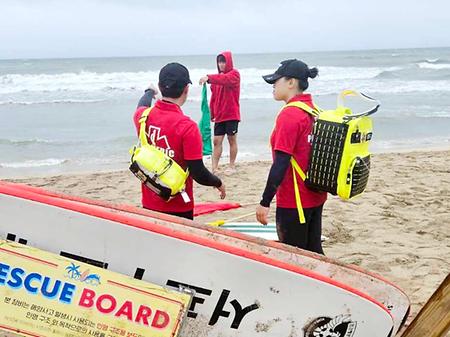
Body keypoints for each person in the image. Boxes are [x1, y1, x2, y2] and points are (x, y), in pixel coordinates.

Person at [133, 62, 226, 220]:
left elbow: (142, 104)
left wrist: (149, 92)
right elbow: (198, 172)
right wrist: (218, 183)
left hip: (149, 203)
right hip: (178, 207)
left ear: (160, 86)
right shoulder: (187, 127)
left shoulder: (143, 117)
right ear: (186, 89)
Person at [255, 59, 327, 254]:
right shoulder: (313, 110)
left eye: (276, 81)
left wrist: (265, 201)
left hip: (295, 201)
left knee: (295, 256)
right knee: (313, 251)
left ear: (291, 82)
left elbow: (281, 163)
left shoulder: (290, 115)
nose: (273, 85)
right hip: (315, 195)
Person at [199, 51, 240, 173]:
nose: (221, 64)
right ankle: (214, 167)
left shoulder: (234, 74)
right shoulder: (216, 80)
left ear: (228, 62)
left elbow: (225, 79)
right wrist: (212, 112)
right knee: (216, 141)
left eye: (223, 61)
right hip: (220, 115)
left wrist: (209, 78)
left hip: (232, 114)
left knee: (231, 139)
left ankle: (231, 165)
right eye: (219, 62)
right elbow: (214, 98)